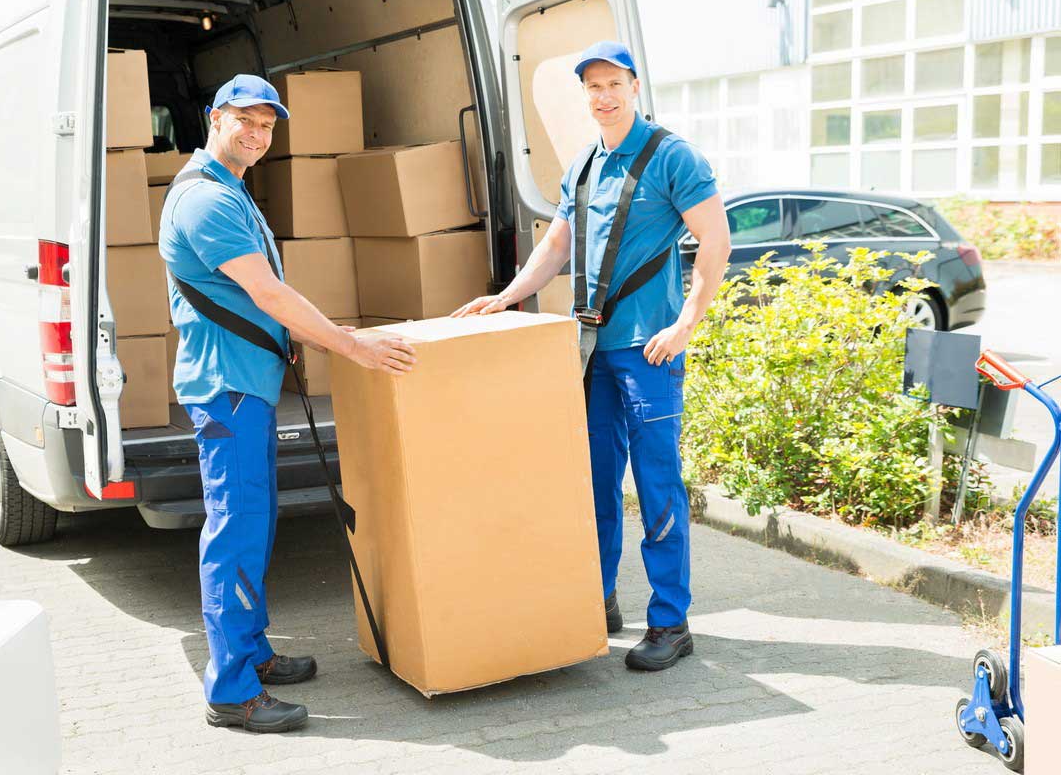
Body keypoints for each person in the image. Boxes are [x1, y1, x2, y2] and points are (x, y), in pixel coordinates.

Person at [453, 42, 730, 672]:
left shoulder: (672, 156)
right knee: (595, 483)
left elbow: (715, 240)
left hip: (650, 349)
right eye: (593, 87)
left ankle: (670, 621)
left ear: (634, 86)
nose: (603, 96)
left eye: (613, 84)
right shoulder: (583, 164)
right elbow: (556, 246)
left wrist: (686, 323)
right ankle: (597, 599)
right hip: (593, 350)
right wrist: (506, 295)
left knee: (657, 485)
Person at [158, 74, 416, 732]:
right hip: (227, 390)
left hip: (247, 383)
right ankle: (231, 691)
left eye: (267, 126)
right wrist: (348, 346)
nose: (256, 133)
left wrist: (312, 336)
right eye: (245, 119)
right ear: (215, 117)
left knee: (257, 523)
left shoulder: (231, 189)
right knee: (235, 532)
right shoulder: (205, 200)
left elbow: (257, 298)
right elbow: (268, 293)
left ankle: (252, 654)